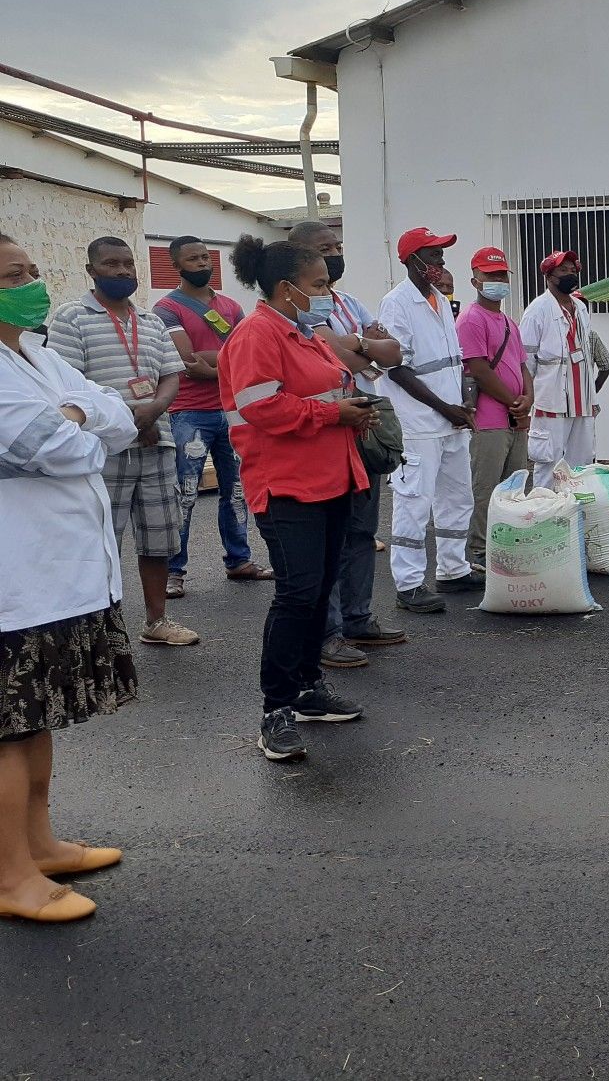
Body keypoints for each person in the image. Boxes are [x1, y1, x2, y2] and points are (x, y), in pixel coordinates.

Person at [0, 234, 138, 922]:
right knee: (6, 731)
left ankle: (39, 844)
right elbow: (50, 448)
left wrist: (79, 414)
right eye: (10, 275)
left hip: (56, 576)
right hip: (12, 580)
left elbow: (117, 416)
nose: (28, 283)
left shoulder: (38, 356)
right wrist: (82, 423)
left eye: (29, 270)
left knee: (34, 721)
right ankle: (8, 875)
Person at [219, 235, 375, 761]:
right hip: (287, 486)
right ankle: (276, 710)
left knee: (317, 590)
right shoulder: (256, 335)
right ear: (287, 288)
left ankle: (308, 689)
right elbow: (263, 409)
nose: (328, 292)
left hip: (331, 479)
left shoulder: (301, 332)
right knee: (297, 595)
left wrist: (348, 408)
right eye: (319, 285)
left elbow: (322, 389)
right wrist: (336, 414)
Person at [47, 237, 198, 647]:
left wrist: (154, 410)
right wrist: (131, 420)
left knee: (158, 536)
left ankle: (156, 622)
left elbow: (171, 375)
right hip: (102, 449)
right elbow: (69, 385)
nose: (123, 272)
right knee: (101, 539)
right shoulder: (71, 318)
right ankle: (101, 629)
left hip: (156, 444)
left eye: (129, 264)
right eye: (112, 264)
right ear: (91, 270)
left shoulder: (150, 321)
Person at [288, 221, 406, 668]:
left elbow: (392, 353)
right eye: (324, 248)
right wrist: (365, 344)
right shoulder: (297, 308)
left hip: (363, 421)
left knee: (361, 529)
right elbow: (335, 354)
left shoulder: (347, 301)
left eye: (338, 245)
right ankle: (329, 631)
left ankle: (358, 618)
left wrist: (361, 346)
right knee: (331, 535)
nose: (335, 254)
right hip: (325, 427)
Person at [153, 236, 272, 596]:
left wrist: (213, 360)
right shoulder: (167, 309)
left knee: (237, 490)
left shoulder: (231, 306)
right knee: (185, 494)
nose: (203, 263)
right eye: (193, 258)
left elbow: (242, 356)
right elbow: (188, 364)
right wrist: (223, 361)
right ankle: (174, 571)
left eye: (206, 257)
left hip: (230, 410)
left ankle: (239, 561)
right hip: (189, 412)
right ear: (176, 265)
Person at [378, 227, 477, 613]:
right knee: (414, 503)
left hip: (451, 419)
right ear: (412, 260)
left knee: (457, 498)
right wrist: (444, 407)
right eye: (433, 256)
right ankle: (409, 585)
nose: (440, 263)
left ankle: (453, 570)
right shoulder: (396, 303)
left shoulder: (439, 298)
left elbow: (452, 364)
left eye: (441, 256)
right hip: (419, 422)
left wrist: (462, 406)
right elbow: (396, 369)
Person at [457, 247, 531, 567]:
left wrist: (528, 398)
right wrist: (515, 402)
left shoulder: (508, 322)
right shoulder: (471, 319)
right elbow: (478, 369)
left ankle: (508, 547)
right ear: (475, 280)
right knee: (486, 489)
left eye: (502, 275)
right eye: (491, 275)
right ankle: (478, 552)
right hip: (489, 420)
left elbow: (523, 366)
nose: (498, 280)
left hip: (515, 419)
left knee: (515, 489)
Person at [521, 250, 599, 483]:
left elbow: (585, 354)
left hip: (582, 399)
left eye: (572, 270)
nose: (569, 274)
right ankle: (545, 510)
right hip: (551, 399)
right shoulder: (537, 310)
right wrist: (528, 396)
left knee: (582, 463)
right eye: (562, 271)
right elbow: (526, 359)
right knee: (548, 461)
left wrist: (593, 399)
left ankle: (576, 511)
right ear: (549, 276)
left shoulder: (581, 308)